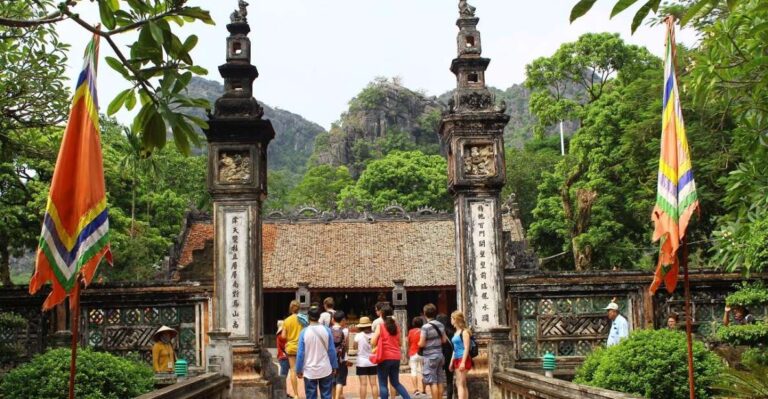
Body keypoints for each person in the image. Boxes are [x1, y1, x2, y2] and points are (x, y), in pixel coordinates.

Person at [296, 304, 339, 399]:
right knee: (327, 395)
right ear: (319, 316)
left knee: (311, 396)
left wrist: (299, 369)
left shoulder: (304, 332)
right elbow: (331, 350)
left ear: (308, 317)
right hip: (325, 368)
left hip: (309, 370)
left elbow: (300, 354)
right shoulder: (327, 330)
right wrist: (334, 366)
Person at [370, 304, 411, 399]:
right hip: (396, 357)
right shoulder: (397, 326)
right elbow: (400, 343)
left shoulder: (381, 326)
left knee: (383, 384)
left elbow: (373, 341)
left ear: (382, 315)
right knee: (396, 383)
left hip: (384, 357)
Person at [418, 304, 448, 399]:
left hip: (430, 356)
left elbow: (422, 343)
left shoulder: (425, 327)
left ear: (425, 314)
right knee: (440, 380)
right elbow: (444, 340)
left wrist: (418, 344)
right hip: (439, 355)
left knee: (432, 381)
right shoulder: (440, 325)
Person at [353, 316, 379, 399]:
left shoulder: (358, 336)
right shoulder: (375, 334)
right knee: (374, 384)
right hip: (373, 361)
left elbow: (354, 347)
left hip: (362, 362)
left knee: (363, 384)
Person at [282, 300, 303, 397]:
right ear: (299, 308)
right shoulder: (303, 319)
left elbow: (283, 336)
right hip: (302, 347)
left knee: (293, 370)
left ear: (290, 309)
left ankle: (296, 394)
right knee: (307, 369)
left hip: (291, 348)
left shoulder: (286, 321)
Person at [449, 311, 472, 399]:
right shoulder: (456, 332)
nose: (451, 320)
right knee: (462, 383)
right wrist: (451, 361)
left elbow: (466, 347)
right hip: (457, 358)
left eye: (452, 318)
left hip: (463, 358)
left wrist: (463, 362)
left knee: (459, 383)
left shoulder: (464, 332)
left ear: (456, 319)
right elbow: (454, 349)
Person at [331, 311, 351, 399]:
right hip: (342, 358)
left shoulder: (328, 330)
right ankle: (338, 397)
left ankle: (333, 396)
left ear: (333, 320)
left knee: (333, 380)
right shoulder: (345, 331)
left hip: (331, 358)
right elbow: (346, 345)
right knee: (340, 380)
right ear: (342, 320)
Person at [436, 314, 455, 399]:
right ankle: (449, 397)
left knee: (437, 379)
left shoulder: (436, 332)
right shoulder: (451, 331)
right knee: (449, 380)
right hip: (449, 357)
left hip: (439, 356)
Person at [408, 317, 426, 397]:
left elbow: (409, 342)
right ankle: (424, 390)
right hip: (422, 353)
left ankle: (416, 389)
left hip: (413, 353)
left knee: (413, 371)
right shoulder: (424, 331)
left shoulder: (411, 331)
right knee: (423, 371)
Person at [276, 320, 294, 398]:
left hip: (283, 357)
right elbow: (286, 346)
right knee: (283, 376)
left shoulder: (279, 335)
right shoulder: (281, 336)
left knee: (284, 375)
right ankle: (282, 392)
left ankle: (284, 392)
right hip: (284, 357)